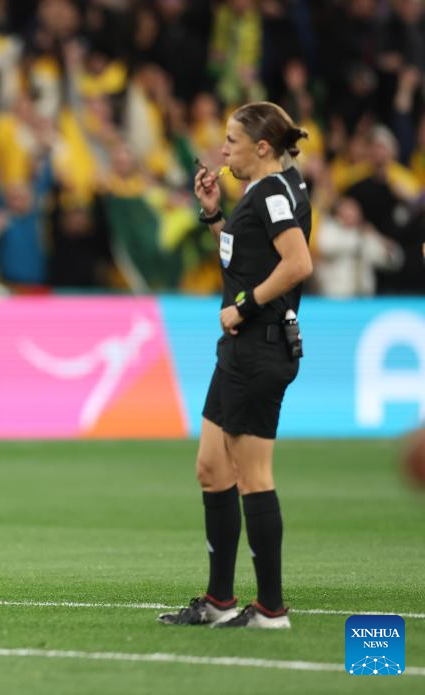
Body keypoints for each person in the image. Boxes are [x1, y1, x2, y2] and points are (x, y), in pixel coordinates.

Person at [159, 102, 314, 629]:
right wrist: (213, 215)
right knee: (212, 468)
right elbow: (243, 261)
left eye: (231, 140)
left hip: (258, 347)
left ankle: (270, 609)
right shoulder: (272, 190)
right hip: (240, 349)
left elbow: (297, 263)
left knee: (253, 477)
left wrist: (245, 306)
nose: (223, 150)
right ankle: (219, 601)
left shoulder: (271, 193)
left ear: (261, 147)